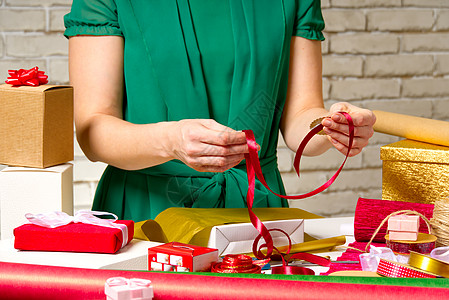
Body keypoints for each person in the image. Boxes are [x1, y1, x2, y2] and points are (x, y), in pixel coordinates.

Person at [64, 0, 376, 222]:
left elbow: (300, 115)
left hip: (256, 213)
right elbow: (93, 129)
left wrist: (330, 126)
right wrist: (170, 141)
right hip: (148, 212)